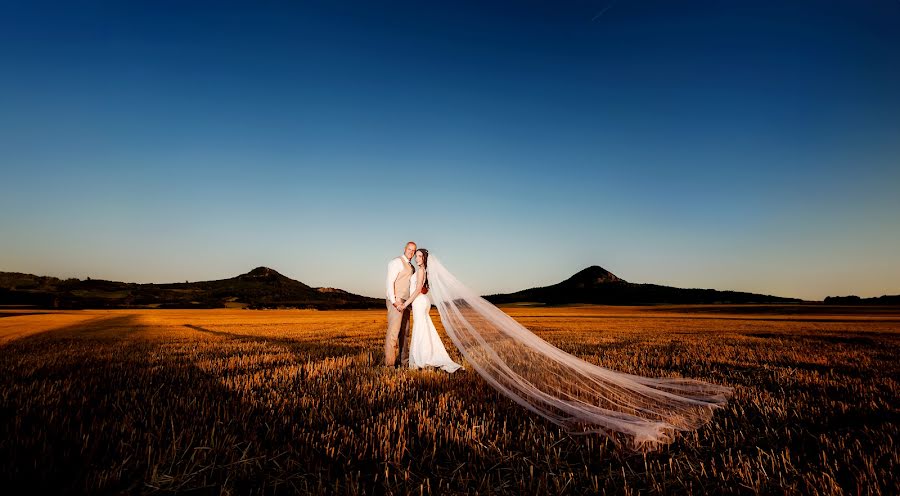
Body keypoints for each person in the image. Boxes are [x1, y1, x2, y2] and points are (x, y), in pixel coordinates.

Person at [399, 249, 462, 373]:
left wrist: (406, 303)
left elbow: (417, 290)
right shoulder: (424, 271)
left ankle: (423, 357)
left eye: (419, 256)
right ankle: (428, 354)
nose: (416, 258)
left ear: (424, 258)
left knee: (420, 328)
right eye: (416, 256)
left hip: (419, 301)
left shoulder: (421, 271)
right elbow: (423, 289)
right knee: (425, 328)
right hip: (422, 301)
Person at [384, 241, 416, 368]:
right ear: (405, 249)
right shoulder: (396, 262)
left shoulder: (411, 266)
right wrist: (394, 301)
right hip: (397, 300)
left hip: (406, 302)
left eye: (414, 250)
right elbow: (389, 282)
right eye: (409, 249)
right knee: (393, 332)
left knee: (405, 333)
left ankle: (404, 363)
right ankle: (389, 365)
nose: (411, 252)